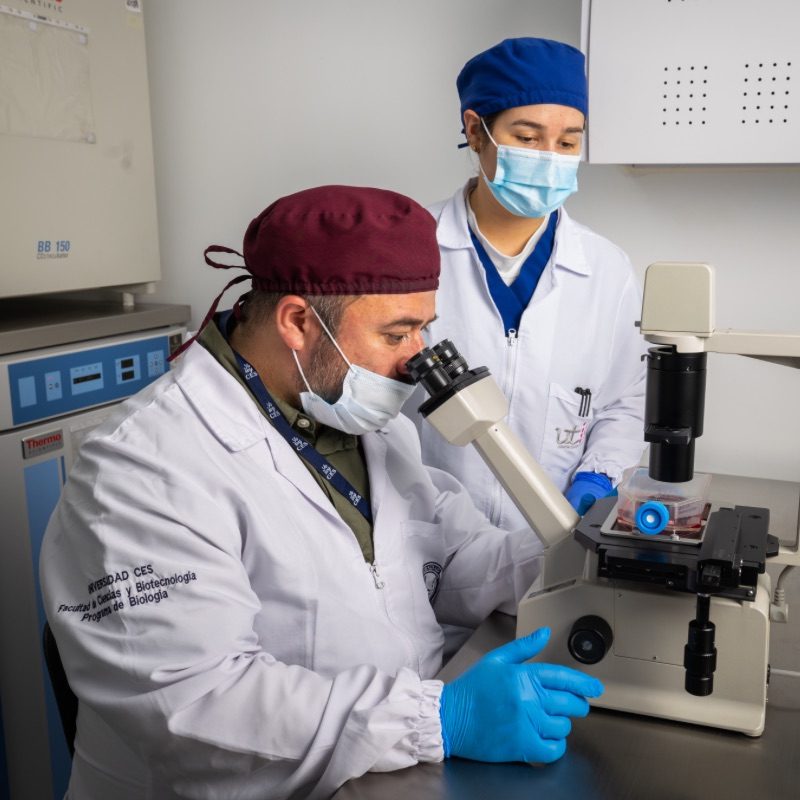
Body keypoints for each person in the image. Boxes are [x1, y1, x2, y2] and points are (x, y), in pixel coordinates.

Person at [40, 185, 603, 800]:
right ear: (298, 322)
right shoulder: (142, 469)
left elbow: (457, 559)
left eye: (424, 330)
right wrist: (434, 720)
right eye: (397, 334)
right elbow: (196, 705)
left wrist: (582, 550)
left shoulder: (362, 426)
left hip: (380, 775)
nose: (417, 360)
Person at [412, 37, 647, 534]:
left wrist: (597, 477)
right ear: (476, 132)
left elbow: (627, 399)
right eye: (527, 137)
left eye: (567, 143)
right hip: (423, 533)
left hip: (550, 536)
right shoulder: (409, 250)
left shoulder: (606, 269)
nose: (550, 158)